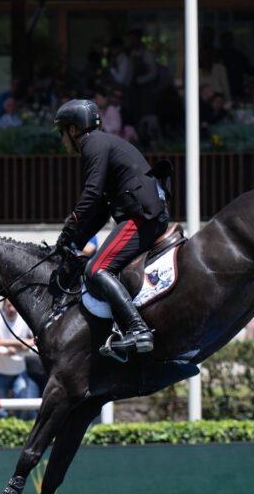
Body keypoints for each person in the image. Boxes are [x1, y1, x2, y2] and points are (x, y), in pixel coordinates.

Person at [54, 98, 170, 357]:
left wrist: (68, 228)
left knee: (96, 269)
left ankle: (137, 329)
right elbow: (102, 210)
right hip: (146, 213)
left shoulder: (92, 144)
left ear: (73, 130)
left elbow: (91, 194)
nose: (63, 141)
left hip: (142, 216)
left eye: (63, 133)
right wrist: (72, 242)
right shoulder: (102, 143)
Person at [0, 299, 39, 420]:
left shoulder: (24, 317)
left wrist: (17, 346)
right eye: (8, 306)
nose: (11, 309)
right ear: (3, 306)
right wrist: (21, 344)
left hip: (19, 371)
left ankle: (20, 435)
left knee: (24, 408)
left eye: (14, 305)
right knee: (0, 412)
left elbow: (35, 339)